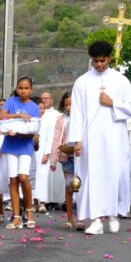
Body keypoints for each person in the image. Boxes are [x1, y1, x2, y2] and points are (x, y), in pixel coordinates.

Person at [68, 40, 131, 235]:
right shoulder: (82, 82)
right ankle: (96, 219)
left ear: (109, 58)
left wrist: (112, 103)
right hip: (90, 138)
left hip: (115, 137)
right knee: (92, 176)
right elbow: (77, 113)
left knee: (113, 174)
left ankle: (114, 214)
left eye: (103, 60)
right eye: (95, 61)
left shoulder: (121, 80)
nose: (99, 64)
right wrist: (77, 140)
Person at [0, 77, 41, 229]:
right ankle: (16, 216)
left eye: (26, 88)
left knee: (24, 177)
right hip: (10, 145)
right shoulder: (11, 101)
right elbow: (0, 117)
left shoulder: (34, 107)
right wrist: (17, 116)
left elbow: (32, 132)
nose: (23, 91)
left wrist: (17, 132)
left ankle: (29, 211)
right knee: (13, 180)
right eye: (20, 88)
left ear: (31, 89)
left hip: (25, 146)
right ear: (16, 88)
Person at [49, 92, 81, 229]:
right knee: (69, 188)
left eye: (71, 105)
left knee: (81, 188)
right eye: (66, 105)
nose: (68, 107)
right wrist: (53, 160)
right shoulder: (61, 120)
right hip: (66, 157)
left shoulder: (82, 118)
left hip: (81, 157)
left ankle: (81, 219)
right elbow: (56, 139)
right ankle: (69, 219)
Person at [35, 92, 65, 213]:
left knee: (43, 177)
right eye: (43, 99)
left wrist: (47, 153)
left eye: (47, 98)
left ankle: (44, 202)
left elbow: (50, 137)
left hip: (45, 153)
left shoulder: (56, 116)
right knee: (34, 178)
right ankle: (34, 202)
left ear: (52, 100)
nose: (45, 101)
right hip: (33, 153)